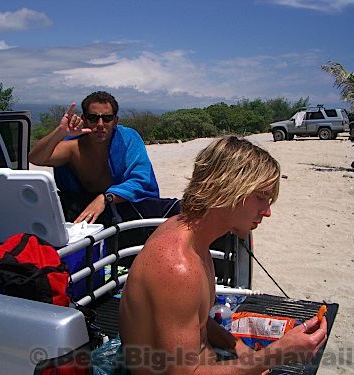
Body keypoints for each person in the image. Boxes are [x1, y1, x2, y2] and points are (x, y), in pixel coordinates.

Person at [119, 136, 328, 374]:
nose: (267, 212)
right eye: (261, 197)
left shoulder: (192, 236)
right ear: (227, 189)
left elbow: (193, 318)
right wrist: (274, 355)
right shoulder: (177, 267)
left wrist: (237, 346)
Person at [28, 91, 160, 224]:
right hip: (81, 208)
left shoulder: (128, 140)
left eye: (107, 118)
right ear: (84, 120)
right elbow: (36, 158)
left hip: (122, 205)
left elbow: (142, 180)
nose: (100, 124)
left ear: (115, 121)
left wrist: (104, 198)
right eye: (93, 118)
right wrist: (59, 133)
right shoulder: (73, 147)